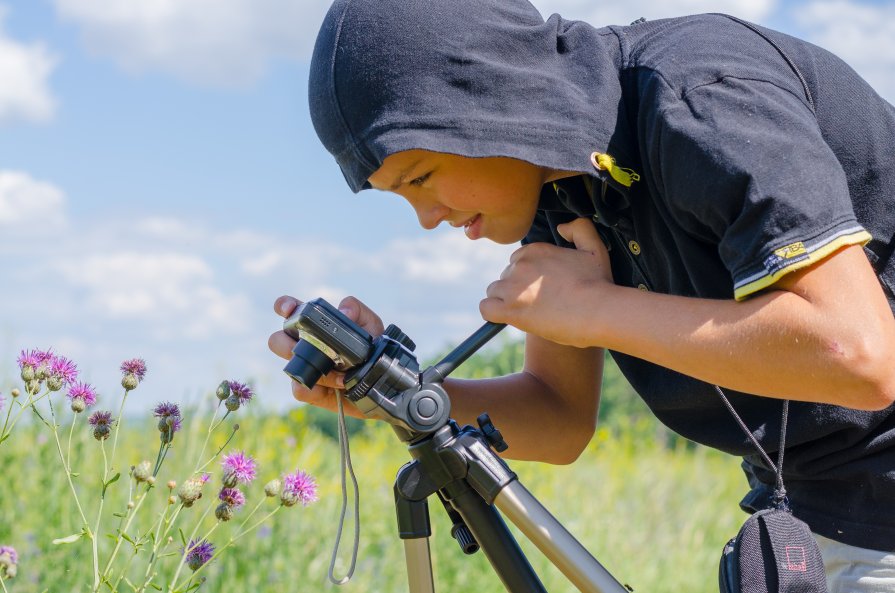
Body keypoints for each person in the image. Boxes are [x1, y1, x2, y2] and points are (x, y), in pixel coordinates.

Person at [267, 0, 895, 589]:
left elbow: (858, 356)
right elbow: (559, 417)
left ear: (487, 95)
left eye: (421, 176)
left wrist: (596, 311)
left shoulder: (703, 98)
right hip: (808, 520)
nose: (426, 218)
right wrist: (397, 397)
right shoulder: (551, 185)